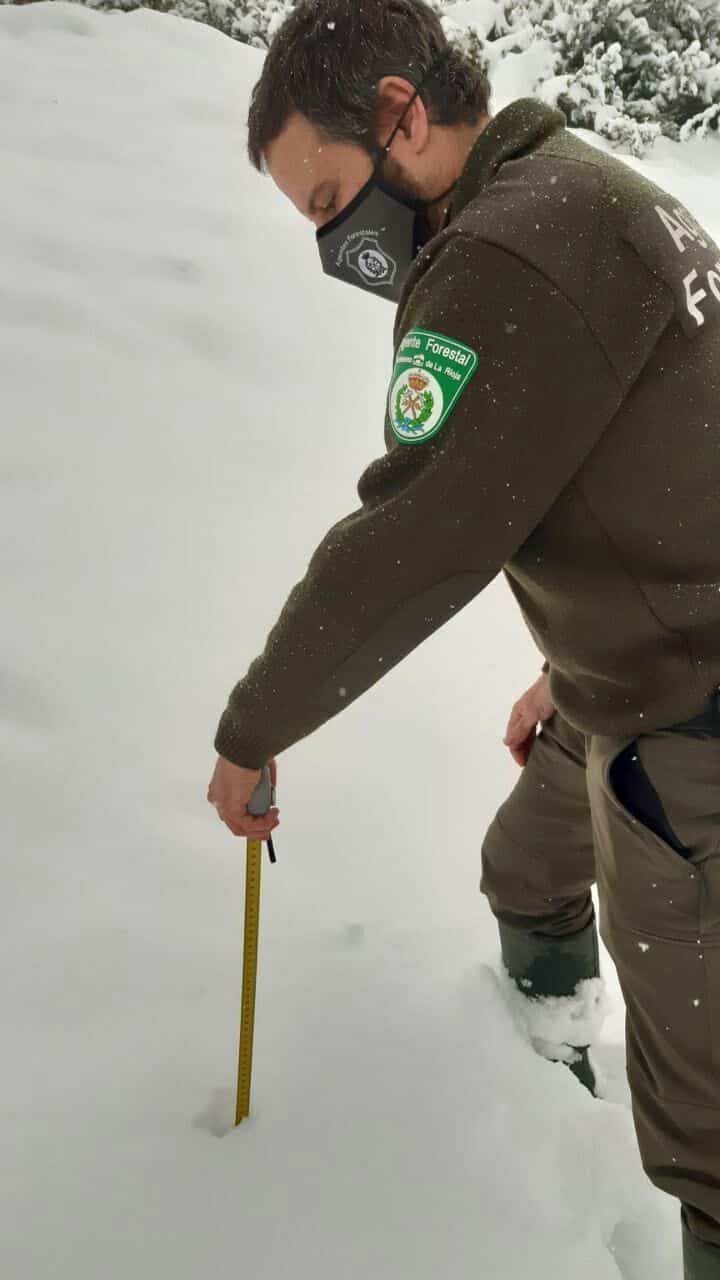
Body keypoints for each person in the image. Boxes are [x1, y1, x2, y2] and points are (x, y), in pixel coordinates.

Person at [205, 1, 720, 1270]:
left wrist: (253, 729)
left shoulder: (508, 256)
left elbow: (420, 538)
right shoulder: (591, 188)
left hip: (686, 720)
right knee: (530, 868)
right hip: (632, 668)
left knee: (707, 1128)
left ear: (400, 110)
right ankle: (550, 1055)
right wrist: (566, 665)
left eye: (329, 198)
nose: (334, 240)